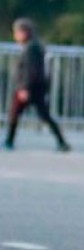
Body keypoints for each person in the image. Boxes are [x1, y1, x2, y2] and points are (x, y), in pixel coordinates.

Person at [3, 18, 70, 152]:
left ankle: (9, 141)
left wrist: (24, 88)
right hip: (34, 87)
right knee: (42, 114)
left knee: (17, 113)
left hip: (29, 88)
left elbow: (31, 70)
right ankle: (61, 142)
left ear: (24, 33)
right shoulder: (32, 47)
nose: (15, 36)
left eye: (17, 32)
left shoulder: (31, 49)